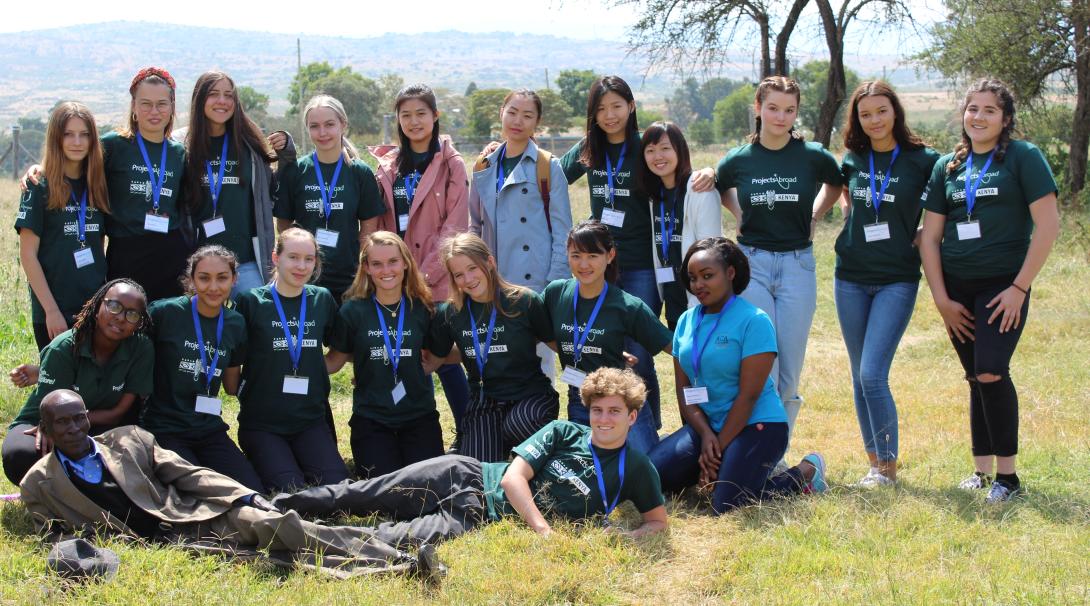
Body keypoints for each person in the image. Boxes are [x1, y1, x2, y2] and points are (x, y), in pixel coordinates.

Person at [20, 390, 442, 579]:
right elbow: (55, 536)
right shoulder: (38, 484)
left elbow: (188, 474)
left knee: (284, 527)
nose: (74, 427)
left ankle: (390, 549)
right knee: (276, 562)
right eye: (63, 421)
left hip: (193, 515)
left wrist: (243, 494)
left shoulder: (129, 439)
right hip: (164, 545)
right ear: (46, 428)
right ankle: (400, 569)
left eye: (79, 417)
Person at [272, 367, 667, 544]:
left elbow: (657, 523)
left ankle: (302, 537)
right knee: (365, 494)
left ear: (632, 417)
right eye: (597, 409)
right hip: (469, 476)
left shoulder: (636, 467)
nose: (603, 419)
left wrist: (625, 538)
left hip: (474, 516)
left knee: (391, 537)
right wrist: (544, 531)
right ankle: (276, 506)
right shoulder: (564, 431)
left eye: (614, 411)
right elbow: (513, 478)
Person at [919, 78, 1059, 503]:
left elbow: (1049, 226)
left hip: (1003, 287)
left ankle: (1009, 479)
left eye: (989, 110)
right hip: (957, 290)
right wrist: (941, 299)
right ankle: (980, 473)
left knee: (992, 371)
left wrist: (1020, 287)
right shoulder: (949, 166)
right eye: (972, 108)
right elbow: (929, 237)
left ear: (1006, 119)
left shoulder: (1023, 157)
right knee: (975, 377)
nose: (978, 117)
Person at [558, 76, 717, 432]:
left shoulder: (643, 147)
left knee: (639, 353)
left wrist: (711, 172)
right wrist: (506, 149)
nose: (609, 115)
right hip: (600, 268)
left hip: (645, 266)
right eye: (601, 109)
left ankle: (648, 433)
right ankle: (617, 432)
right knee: (611, 351)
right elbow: (552, 174)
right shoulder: (589, 149)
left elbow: (676, 171)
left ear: (631, 106)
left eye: (617, 106)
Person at [809, 81, 940, 486]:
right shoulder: (853, 158)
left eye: (881, 111)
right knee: (857, 375)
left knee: (872, 375)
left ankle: (887, 467)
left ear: (895, 112)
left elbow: (947, 203)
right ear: (857, 120)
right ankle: (874, 465)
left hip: (896, 279)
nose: (875, 120)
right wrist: (828, 212)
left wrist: (924, 233)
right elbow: (841, 189)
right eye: (866, 115)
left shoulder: (924, 160)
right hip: (849, 276)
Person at [649, 237, 827, 513]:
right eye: (693, 278)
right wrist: (707, 435)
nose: (698, 285)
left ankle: (805, 472)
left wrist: (715, 452)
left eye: (708, 276)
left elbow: (749, 396)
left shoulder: (754, 321)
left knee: (728, 503)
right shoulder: (686, 320)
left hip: (758, 425)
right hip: (706, 427)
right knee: (650, 477)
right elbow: (685, 392)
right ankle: (721, 471)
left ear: (730, 273)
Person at [714, 75, 843, 446]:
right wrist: (739, 214)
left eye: (789, 110)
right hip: (752, 265)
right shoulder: (739, 159)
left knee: (790, 363)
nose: (780, 117)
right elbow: (721, 187)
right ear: (758, 108)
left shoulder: (813, 155)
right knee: (761, 362)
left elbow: (836, 182)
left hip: (797, 266)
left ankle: (778, 451)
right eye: (772, 108)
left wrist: (816, 216)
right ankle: (755, 445)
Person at [368, 84, 471, 449]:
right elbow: (382, 223)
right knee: (412, 353)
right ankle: (423, 435)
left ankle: (470, 431)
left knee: (444, 356)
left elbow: (455, 226)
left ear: (435, 116)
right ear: (397, 119)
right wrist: (391, 274)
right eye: (406, 115)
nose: (414, 122)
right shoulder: (388, 166)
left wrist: (422, 275)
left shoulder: (451, 164)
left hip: (439, 278)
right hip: (397, 278)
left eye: (421, 114)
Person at [326, 231, 453, 478]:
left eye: (393, 261)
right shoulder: (352, 311)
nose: (386, 270)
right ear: (366, 268)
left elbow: (439, 356)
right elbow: (335, 360)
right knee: (382, 486)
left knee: (426, 484)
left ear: (405, 262)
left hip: (419, 415)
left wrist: (425, 367)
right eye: (377, 264)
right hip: (372, 418)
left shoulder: (423, 308)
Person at [3, 280, 153, 486]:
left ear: (139, 322)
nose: (120, 317)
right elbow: (52, 412)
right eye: (114, 306)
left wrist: (77, 423)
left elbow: (117, 413)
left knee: (130, 458)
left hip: (100, 425)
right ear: (99, 304)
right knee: (21, 454)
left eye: (132, 314)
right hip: (47, 422)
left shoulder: (141, 349)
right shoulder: (63, 348)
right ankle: (53, 491)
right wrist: (53, 426)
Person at [468, 88, 573, 383]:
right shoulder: (483, 165)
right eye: (512, 112)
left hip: (533, 285)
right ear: (501, 113)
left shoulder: (547, 165)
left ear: (537, 122)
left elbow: (564, 233)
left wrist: (551, 289)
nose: (518, 121)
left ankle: (541, 425)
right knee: (495, 363)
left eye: (528, 115)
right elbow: (474, 227)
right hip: (492, 283)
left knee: (539, 368)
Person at [541, 220, 673, 453]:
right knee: (591, 471)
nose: (583, 264)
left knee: (652, 469)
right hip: (581, 399)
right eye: (576, 255)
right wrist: (596, 347)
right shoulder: (556, 293)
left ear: (610, 255)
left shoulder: (627, 305)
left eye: (593, 255)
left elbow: (673, 346)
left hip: (621, 398)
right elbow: (540, 331)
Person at [233, 228, 349, 491]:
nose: (302, 266)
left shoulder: (321, 299)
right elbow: (233, 358)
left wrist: (321, 369)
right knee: (290, 489)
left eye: (309, 259)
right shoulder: (250, 301)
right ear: (276, 258)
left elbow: (340, 346)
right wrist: (237, 389)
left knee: (337, 486)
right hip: (263, 423)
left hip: (309, 419)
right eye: (293, 257)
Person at [140, 246, 264, 492]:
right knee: (198, 490)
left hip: (208, 427)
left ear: (234, 279)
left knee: (251, 489)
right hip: (165, 427)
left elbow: (231, 386)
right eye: (204, 278)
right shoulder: (165, 313)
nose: (214, 287)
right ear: (191, 280)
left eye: (222, 278)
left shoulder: (235, 323)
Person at [436, 233, 559, 462]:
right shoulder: (452, 313)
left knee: (518, 425)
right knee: (478, 472)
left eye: (473, 268)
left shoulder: (523, 301)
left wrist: (603, 350)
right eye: (459, 275)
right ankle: (495, 444)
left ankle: (546, 455)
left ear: (490, 262)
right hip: (485, 399)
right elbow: (440, 356)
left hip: (529, 395)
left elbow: (557, 343)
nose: (468, 279)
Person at [184, 70, 296, 297]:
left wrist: (286, 152)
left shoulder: (250, 147)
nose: (222, 101)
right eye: (214, 94)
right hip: (201, 270)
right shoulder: (184, 148)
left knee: (256, 327)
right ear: (199, 99)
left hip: (247, 264)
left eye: (229, 95)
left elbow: (277, 190)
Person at [16, 101, 109, 351]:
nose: (77, 142)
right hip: (54, 311)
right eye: (68, 134)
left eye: (84, 134)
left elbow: (97, 244)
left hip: (93, 307)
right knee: (59, 388)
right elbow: (27, 255)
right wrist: (51, 311)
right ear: (56, 138)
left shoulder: (98, 185)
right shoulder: (38, 186)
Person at [274, 94, 384, 304]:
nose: (322, 133)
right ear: (307, 128)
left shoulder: (359, 172)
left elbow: (369, 226)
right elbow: (284, 224)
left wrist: (360, 270)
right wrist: (299, 260)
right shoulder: (296, 171)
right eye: (314, 126)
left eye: (329, 124)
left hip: (348, 278)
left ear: (343, 125)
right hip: (304, 277)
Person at [103, 67, 190, 301]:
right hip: (126, 253)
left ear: (172, 106)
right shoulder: (113, 145)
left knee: (166, 326)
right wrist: (39, 168)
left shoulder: (179, 152)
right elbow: (72, 161)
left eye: (162, 103)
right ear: (133, 106)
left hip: (170, 252)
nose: (154, 111)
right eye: (145, 104)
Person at [637, 120, 723, 329]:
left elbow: (711, 254)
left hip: (702, 300)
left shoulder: (699, 189)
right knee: (681, 359)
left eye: (665, 148)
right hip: (673, 299)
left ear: (680, 150)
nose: (658, 156)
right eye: (650, 150)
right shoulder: (653, 196)